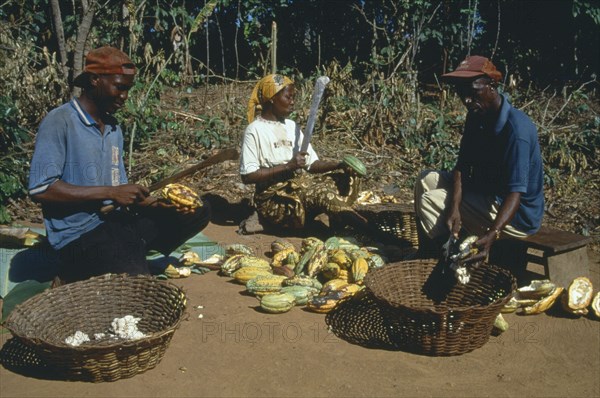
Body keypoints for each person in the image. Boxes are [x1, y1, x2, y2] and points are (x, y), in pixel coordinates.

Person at [28, 46, 210, 283]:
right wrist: (111, 192)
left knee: (199, 210)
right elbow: (41, 189)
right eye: (120, 87)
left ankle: (124, 257)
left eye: (128, 90)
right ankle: (81, 269)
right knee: (137, 284)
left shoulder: (114, 129)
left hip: (115, 225)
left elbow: (120, 190)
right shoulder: (60, 121)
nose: (124, 96)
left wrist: (156, 205)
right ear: (95, 80)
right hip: (77, 237)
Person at [414, 55, 544, 260]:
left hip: (517, 214)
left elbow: (515, 194)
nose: (466, 100)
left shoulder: (516, 130)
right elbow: (462, 166)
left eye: (472, 91)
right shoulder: (476, 115)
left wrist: (493, 233)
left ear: (491, 86)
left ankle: (452, 259)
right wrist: (454, 208)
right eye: (461, 92)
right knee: (426, 179)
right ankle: (435, 249)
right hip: (487, 191)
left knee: (430, 201)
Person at [239, 74, 366, 233]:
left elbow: (311, 164)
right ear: (271, 98)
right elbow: (248, 176)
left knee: (348, 178)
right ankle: (366, 229)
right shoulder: (255, 130)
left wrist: (340, 164)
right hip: (276, 200)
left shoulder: (292, 126)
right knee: (322, 194)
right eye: (288, 97)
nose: (293, 102)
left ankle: (339, 225)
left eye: (294, 97)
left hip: (301, 187)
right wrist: (287, 166)